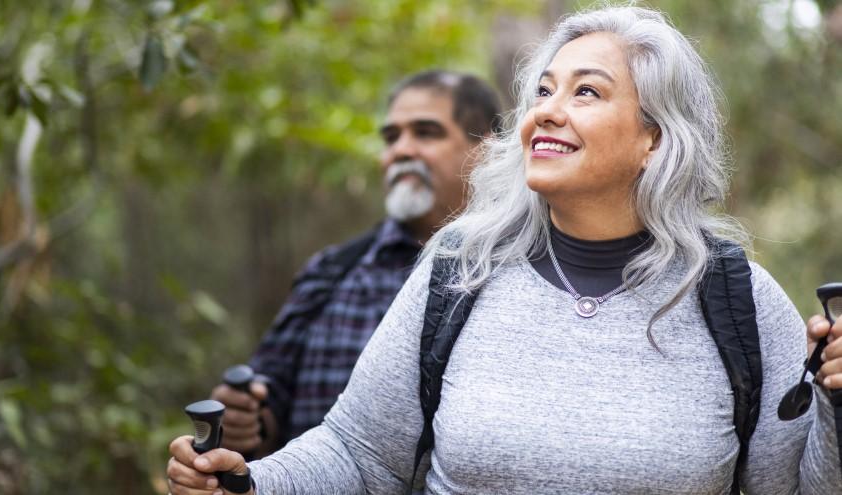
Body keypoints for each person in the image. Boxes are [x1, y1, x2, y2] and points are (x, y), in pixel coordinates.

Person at [167, 6, 842, 494]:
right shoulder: (461, 266)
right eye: (543, 90)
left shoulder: (736, 294)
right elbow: (358, 452)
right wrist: (248, 484)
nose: (547, 110)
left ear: (655, 140)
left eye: (586, 92)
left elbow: (798, 484)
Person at [209, 70, 502, 457]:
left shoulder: (522, 272)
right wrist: (245, 419)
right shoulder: (332, 272)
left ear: (486, 150)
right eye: (391, 137)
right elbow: (271, 399)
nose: (401, 150)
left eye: (426, 132)